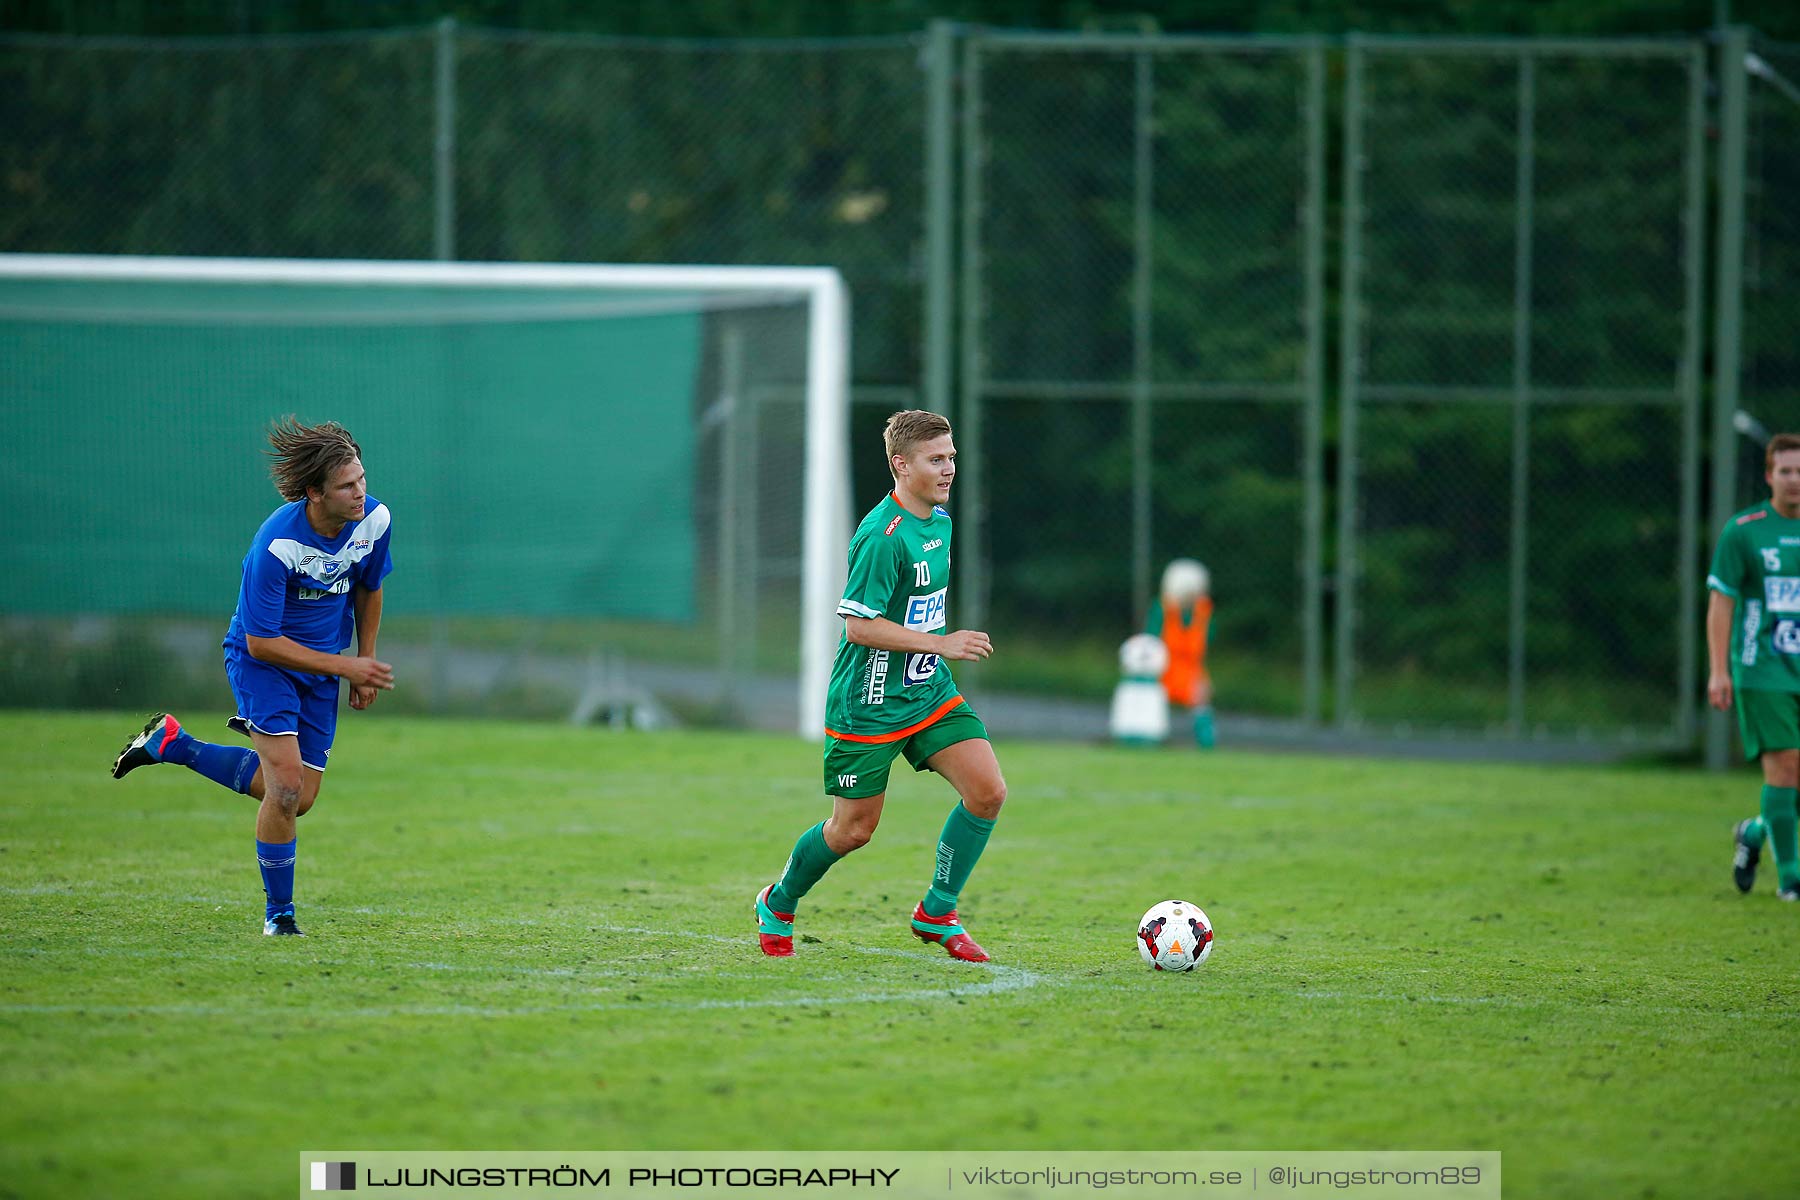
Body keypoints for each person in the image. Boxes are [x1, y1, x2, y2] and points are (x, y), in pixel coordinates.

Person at [111, 417, 395, 935]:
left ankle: (173, 744)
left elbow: (370, 587)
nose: (361, 493)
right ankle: (279, 918)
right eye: (346, 486)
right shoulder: (274, 547)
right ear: (314, 493)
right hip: (263, 664)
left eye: (362, 479)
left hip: (322, 668)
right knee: (285, 789)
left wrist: (364, 663)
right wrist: (347, 665)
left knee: (300, 799)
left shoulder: (374, 520)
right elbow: (260, 641)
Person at [753, 409, 1005, 962]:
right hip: (867, 702)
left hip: (928, 692)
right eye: (936, 460)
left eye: (952, 458)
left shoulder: (938, 520)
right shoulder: (880, 537)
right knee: (852, 831)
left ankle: (937, 912)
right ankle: (779, 900)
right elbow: (859, 625)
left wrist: (935, 653)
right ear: (900, 465)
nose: (948, 470)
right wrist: (942, 642)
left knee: (987, 792)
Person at [1709, 431, 1800, 902]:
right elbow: (1721, 600)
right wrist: (1718, 669)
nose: (1794, 480)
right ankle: (1792, 881)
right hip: (1762, 668)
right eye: (1785, 470)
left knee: (1795, 780)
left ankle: (1756, 832)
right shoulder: (1744, 530)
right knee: (1785, 769)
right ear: (1769, 476)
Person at [1147, 558, 1215, 747]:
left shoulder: (1202, 613)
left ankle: (1206, 744)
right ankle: (1154, 738)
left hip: (1191, 670)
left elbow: (1206, 639)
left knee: (1201, 694)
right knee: (1153, 698)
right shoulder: (1162, 610)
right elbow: (1152, 640)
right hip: (1164, 669)